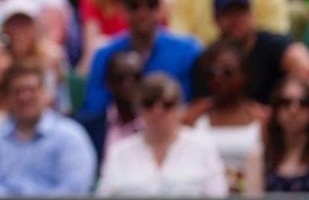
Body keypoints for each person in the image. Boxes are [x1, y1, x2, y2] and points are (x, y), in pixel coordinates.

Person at [0, 60, 98, 196]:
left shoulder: (70, 136)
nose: (25, 97)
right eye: (17, 91)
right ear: (6, 97)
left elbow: (74, 189)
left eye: (31, 89)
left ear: (45, 92)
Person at [83, 0, 202, 114]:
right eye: (135, 5)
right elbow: (95, 110)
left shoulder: (188, 50)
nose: (142, 12)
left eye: (150, 4)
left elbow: (198, 103)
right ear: (123, 10)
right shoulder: (104, 55)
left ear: (159, 8)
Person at [97, 74, 228, 196]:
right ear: (138, 109)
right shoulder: (119, 152)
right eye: (149, 103)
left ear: (180, 108)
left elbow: (218, 194)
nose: (157, 111)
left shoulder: (203, 147)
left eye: (167, 104)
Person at [193, 0, 309, 105]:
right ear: (216, 19)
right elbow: (200, 102)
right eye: (228, 13)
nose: (236, 19)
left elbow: (304, 65)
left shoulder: (271, 44)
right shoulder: (209, 57)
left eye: (241, 12)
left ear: (251, 15)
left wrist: (283, 107)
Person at [184, 40, 269, 192]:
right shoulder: (192, 116)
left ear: (244, 75)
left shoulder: (262, 118)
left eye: (227, 72)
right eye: (212, 73)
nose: (219, 79)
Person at [245, 77, 309, 194]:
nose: (293, 110)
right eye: (285, 103)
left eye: (303, 103)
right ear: (275, 109)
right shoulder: (258, 157)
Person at [76, 50, 143, 163]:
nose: (128, 84)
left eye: (135, 77)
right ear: (108, 82)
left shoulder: (156, 126)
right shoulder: (89, 127)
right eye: (120, 78)